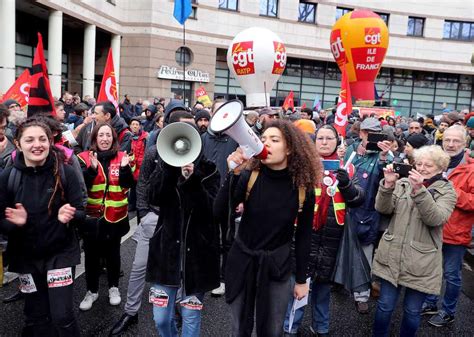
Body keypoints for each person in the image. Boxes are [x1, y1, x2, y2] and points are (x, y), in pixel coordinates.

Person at [215, 120, 321, 336]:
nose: (266, 144)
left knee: (272, 329)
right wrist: (232, 174)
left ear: (290, 147)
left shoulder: (303, 188)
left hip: (277, 266)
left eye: (274, 140)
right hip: (242, 261)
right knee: (239, 328)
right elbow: (218, 212)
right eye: (262, 140)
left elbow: (303, 235)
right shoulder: (248, 176)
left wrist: (301, 279)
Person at [0, 119, 85, 336]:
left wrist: (71, 216)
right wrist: (12, 222)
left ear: (50, 142)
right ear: (18, 144)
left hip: (60, 254)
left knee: (62, 316)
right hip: (26, 258)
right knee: (35, 317)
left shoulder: (66, 173)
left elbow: (84, 213)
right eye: (29, 140)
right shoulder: (8, 177)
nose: (37, 145)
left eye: (42, 139)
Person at [283, 124, 365, 336]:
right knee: (299, 286)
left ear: (337, 142)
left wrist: (346, 185)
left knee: (323, 288)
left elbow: (358, 200)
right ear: (314, 141)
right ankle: (290, 327)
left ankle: (321, 327)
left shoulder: (349, 168)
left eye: (330, 138)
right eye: (320, 138)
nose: (325, 142)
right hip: (304, 234)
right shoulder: (302, 166)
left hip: (332, 237)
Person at [372, 145, 457, 337]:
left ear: (440, 167)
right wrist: (387, 185)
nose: (422, 168)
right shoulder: (403, 183)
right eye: (419, 164)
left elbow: (435, 218)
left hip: (421, 262)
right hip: (392, 254)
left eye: (428, 165)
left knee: (412, 311)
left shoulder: (447, 190)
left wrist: (419, 190)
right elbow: (383, 209)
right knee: (384, 307)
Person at [146, 123, 220, 337]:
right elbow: (153, 197)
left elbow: (211, 210)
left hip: (197, 257)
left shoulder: (209, 171)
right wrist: (168, 170)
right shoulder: (165, 168)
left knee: (191, 317)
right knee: (161, 319)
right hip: (166, 255)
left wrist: (192, 181)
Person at [77, 123, 135, 311]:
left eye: (108, 135)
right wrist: (92, 170)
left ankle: (113, 288)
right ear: (94, 138)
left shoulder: (122, 157)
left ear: (114, 138)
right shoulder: (83, 158)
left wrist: (126, 168)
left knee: (113, 255)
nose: (104, 139)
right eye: (100, 135)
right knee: (91, 256)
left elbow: (128, 185)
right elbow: (80, 186)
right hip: (91, 218)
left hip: (115, 217)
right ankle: (91, 291)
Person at [422, 126, 474, 327]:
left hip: (455, 231)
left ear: (465, 143)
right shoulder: (435, 163)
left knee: (451, 275)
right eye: (448, 141)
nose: (451, 145)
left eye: (456, 141)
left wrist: (451, 191)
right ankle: (430, 302)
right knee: (430, 270)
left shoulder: (470, 168)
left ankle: (448, 311)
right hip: (432, 227)